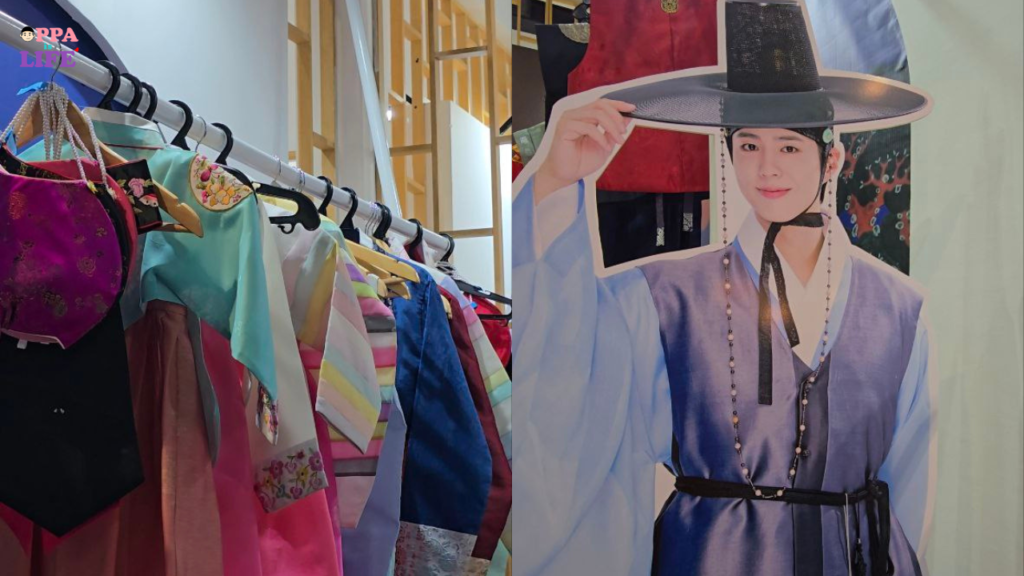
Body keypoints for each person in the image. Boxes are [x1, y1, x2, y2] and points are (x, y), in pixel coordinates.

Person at [513, 1, 936, 575]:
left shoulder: (898, 310)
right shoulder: (665, 300)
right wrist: (557, 183)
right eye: (749, 146)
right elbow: (567, 367)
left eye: (790, 147)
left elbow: (907, 486)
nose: (767, 169)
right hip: (710, 558)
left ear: (831, 158)